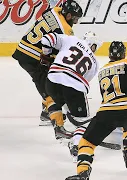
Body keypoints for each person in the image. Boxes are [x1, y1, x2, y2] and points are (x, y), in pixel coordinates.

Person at [65, 41, 127, 179]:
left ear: (110, 54)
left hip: (107, 112)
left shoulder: (102, 70)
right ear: (123, 53)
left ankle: (83, 172)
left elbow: (115, 92)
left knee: (87, 143)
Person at [11, 0, 83, 128]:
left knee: (50, 80)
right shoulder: (65, 30)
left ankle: (45, 112)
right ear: (69, 16)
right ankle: (56, 123)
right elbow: (60, 56)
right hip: (31, 57)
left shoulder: (54, 11)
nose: (76, 22)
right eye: (75, 18)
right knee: (49, 89)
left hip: (25, 48)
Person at [40, 31, 101, 161]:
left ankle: (60, 122)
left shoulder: (71, 39)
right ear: (93, 46)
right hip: (74, 87)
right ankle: (76, 145)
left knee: (64, 101)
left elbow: (47, 39)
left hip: (51, 82)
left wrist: (47, 55)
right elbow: (83, 81)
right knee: (83, 122)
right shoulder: (95, 62)